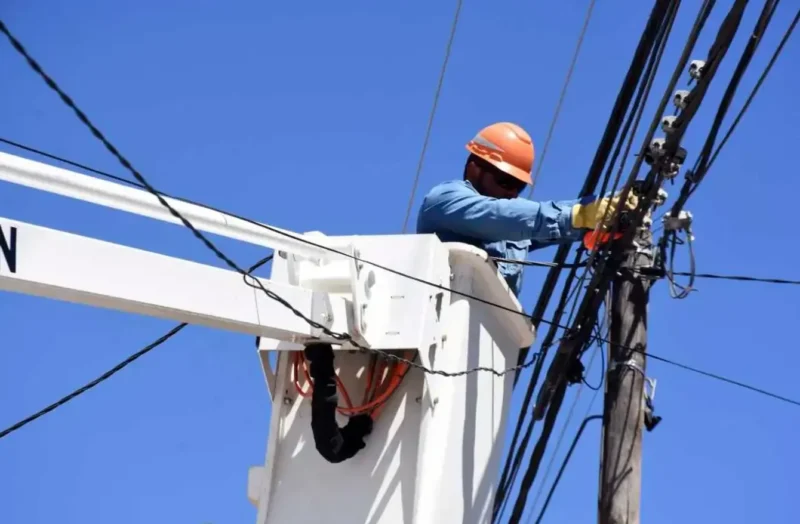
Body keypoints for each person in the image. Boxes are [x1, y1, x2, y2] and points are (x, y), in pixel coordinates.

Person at [416, 121, 638, 296]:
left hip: (493, 341)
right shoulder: (443, 201)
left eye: (519, 186)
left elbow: (557, 216)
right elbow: (499, 215)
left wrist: (610, 205)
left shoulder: (515, 231)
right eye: (506, 181)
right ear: (474, 168)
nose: (513, 192)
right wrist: (581, 216)